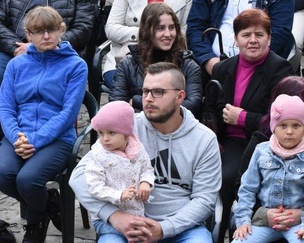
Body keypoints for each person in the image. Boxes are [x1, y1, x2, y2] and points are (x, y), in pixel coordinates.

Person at [71, 62, 222, 242]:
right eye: (145, 92)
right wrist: (115, 216)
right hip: (123, 224)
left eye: (158, 92)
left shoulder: (203, 139)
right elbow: (79, 177)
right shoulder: (125, 129)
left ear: (180, 96)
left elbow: (204, 199)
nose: (148, 98)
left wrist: (165, 228)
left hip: (180, 227)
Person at [0, 7, 88, 243]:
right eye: (39, 32)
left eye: (51, 30)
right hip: (18, 135)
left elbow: (68, 114)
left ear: (61, 30)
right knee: (3, 173)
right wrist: (17, 136)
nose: (46, 36)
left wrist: (35, 140)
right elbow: (6, 108)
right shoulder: (16, 66)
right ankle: (48, 203)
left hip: (57, 138)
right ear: (28, 35)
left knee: (28, 180)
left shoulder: (76, 66)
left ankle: (35, 222)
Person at [204, 8, 293, 238]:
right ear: (236, 39)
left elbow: (281, 118)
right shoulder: (223, 68)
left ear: (269, 38)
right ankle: (214, 233)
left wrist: (242, 117)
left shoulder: (280, 69)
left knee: (234, 179)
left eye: (259, 34)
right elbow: (211, 108)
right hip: (229, 142)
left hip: (264, 144)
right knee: (214, 177)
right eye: (246, 35)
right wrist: (212, 137)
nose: (252, 40)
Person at [239, 77, 304, 243]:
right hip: (264, 216)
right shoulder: (262, 143)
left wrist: (301, 213)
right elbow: (244, 184)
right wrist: (265, 214)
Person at [110, 0, 202, 115]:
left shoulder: (188, 65)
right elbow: (117, 106)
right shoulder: (128, 63)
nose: (168, 34)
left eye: (172, 27)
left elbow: (192, 105)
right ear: (147, 31)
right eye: (161, 28)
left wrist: (138, 101)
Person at [85, 101, 155, 238]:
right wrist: (119, 195)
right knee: (139, 234)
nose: (105, 139)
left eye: (111, 133)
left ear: (126, 133)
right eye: (101, 133)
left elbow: (147, 168)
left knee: (144, 234)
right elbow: (94, 186)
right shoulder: (98, 156)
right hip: (107, 220)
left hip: (136, 212)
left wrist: (145, 182)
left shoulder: (137, 149)